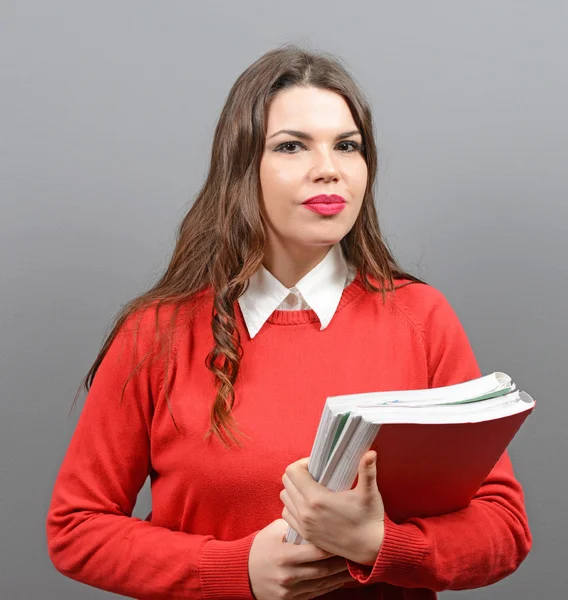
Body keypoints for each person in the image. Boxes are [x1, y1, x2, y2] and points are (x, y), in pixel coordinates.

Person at [46, 43, 532, 600]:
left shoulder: (422, 317)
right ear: (242, 167)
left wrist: (381, 545)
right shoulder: (156, 332)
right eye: (293, 146)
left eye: (347, 146)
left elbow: (504, 529)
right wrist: (237, 570)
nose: (328, 169)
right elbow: (75, 530)